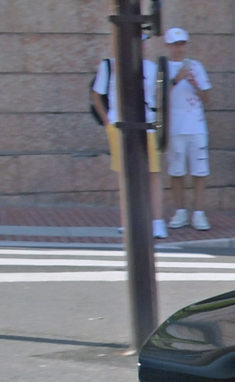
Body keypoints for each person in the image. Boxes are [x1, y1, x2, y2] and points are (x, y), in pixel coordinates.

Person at [89, 46, 163, 239]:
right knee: (127, 174)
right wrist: (107, 123)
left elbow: (162, 95)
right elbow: (96, 95)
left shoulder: (152, 68)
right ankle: (130, 221)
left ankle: (157, 221)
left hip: (147, 123)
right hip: (120, 125)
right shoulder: (110, 66)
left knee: (152, 173)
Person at [155, 27, 214, 232]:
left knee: (199, 169)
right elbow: (157, 100)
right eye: (175, 44)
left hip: (196, 126)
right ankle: (180, 210)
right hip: (174, 127)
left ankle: (199, 212)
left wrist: (195, 84)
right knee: (176, 170)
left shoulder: (196, 66)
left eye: (183, 44)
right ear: (168, 46)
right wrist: (176, 79)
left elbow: (207, 98)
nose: (180, 48)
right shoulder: (161, 68)